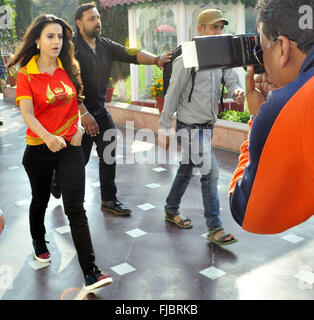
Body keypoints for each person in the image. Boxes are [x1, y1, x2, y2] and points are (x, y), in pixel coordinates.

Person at [8, 14, 112, 291]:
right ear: (38, 41)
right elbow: (27, 113)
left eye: (60, 36)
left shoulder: (68, 67)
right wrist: (47, 137)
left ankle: (91, 273)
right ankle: (39, 241)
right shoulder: (26, 73)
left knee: (76, 209)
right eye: (50, 36)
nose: (56, 41)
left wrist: (78, 128)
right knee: (40, 200)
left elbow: (75, 101)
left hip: (69, 149)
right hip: (39, 149)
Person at [51, 2, 172, 216]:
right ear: (79, 23)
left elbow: (131, 54)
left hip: (99, 112)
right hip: (78, 115)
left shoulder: (104, 45)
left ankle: (108, 199)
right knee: (80, 159)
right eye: (92, 19)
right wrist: (84, 113)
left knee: (109, 152)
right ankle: (58, 181)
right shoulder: (71, 48)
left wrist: (156, 60)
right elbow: (67, 83)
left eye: (98, 17)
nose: (97, 22)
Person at [158, 9, 244, 245]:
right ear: (201, 29)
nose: (218, 32)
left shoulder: (220, 55)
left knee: (186, 169)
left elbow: (231, 77)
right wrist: (164, 126)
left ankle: (170, 208)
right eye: (213, 27)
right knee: (210, 171)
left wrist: (237, 89)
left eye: (220, 28)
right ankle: (214, 227)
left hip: (207, 127)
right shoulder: (186, 58)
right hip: (188, 127)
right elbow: (173, 93)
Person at [229, 0, 314, 234]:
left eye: (261, 49)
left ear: (283, 48)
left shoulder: (288, 107)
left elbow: (248, 214)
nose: (261, 63)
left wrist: (260, 115)